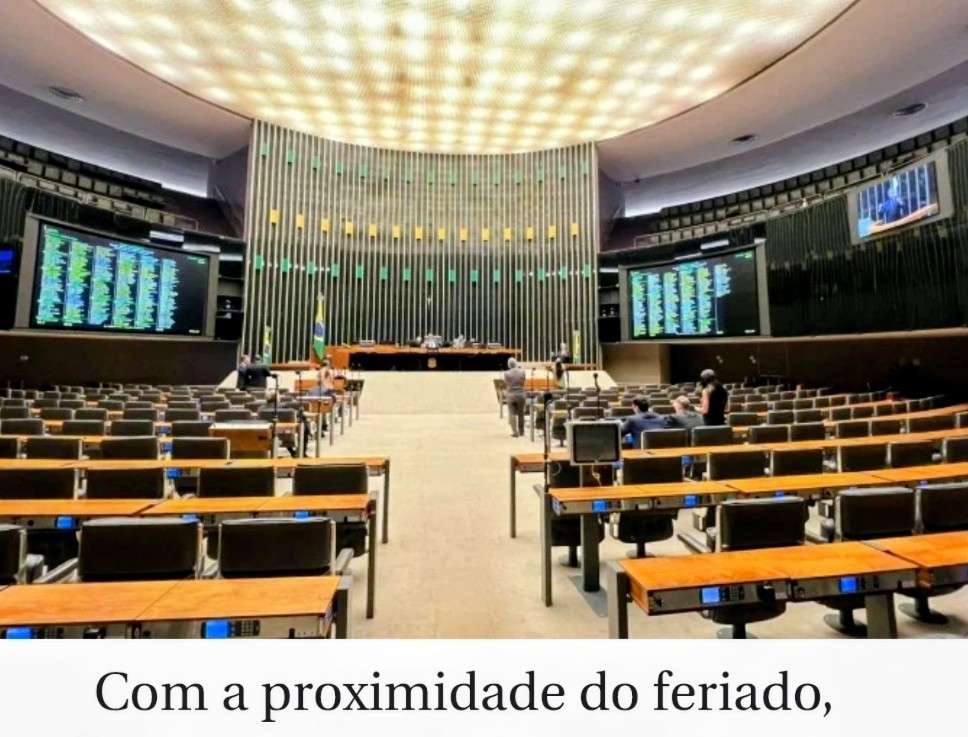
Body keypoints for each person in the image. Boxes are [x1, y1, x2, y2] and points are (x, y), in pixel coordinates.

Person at [504, 357, 527, 438]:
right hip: (521, 395)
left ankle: (515, 432)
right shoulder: (522, 372)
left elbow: (506, 383)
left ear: (509, 365)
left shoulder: (506, 373)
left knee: (512, 414)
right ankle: (522, 431)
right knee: (521, 414)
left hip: (511, 395)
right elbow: (523, 383)